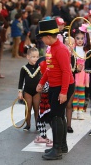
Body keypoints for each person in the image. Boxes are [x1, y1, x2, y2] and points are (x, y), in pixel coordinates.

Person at [36, 19, 75, 160]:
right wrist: (41, 82)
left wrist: (63, 92)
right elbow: (49, 69)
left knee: (56, 116)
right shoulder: (51, 48)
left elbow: (66, 72)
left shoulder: (61, 49)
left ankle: (57, 149)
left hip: (63, 86)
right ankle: (62, 146)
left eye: (42, 37)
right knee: (59, 116)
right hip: (54, 85)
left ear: (47, 36)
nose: (41, 40)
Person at [18, 47, 41, 131]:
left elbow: (43, 79)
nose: (36, 59)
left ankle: (38, 124)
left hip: (37, 92)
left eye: (37, 57)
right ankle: (28, 124)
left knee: (36, 108)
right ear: (28, 57)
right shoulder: (24, 68)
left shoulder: (40, 67)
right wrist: (20, 92)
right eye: (33, 57)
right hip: (27, 91)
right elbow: (21, 81)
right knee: (28, 108)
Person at [72, 25, 91, 120]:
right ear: (74, 38)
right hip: (75, 71)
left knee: (81, 92)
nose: (80, 40)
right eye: (77, 38)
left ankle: (81, 110)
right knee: (74, 92)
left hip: (83, 72)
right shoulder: (73, 49)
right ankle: (75, 110)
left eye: (82, 38)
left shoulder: (86, 50)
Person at [34, 57, 52, 147]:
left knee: (52, 121)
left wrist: (39, 86)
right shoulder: (43, 77)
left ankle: (57, 139)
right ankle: (43, 136)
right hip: (44, 103)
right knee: (40, 120)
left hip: (49, 103)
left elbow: (44, 88)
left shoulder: (48, 78)